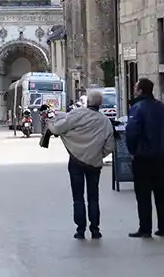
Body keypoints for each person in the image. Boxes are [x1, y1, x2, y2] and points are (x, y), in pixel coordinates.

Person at [47, 89, 116, 240]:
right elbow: (110, 146)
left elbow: (58, 128)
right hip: (94, 163)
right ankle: (95, 229)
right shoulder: (105, 121)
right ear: (100, 104)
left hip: (76, 161)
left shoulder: (77, 115)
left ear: (88, 102)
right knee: (93, 197)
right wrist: (98, 154)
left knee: (78, 197)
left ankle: (80, 230)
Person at [125, 78, 164, 238]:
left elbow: (131, 132)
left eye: (135, 87)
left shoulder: (137, 108)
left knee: (143, 194)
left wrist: (133, 150)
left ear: (140, 91)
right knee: (160, 191)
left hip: (143, 157)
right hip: (160, 157)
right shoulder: (162, 108)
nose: (134, 90)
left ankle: (145, 228)